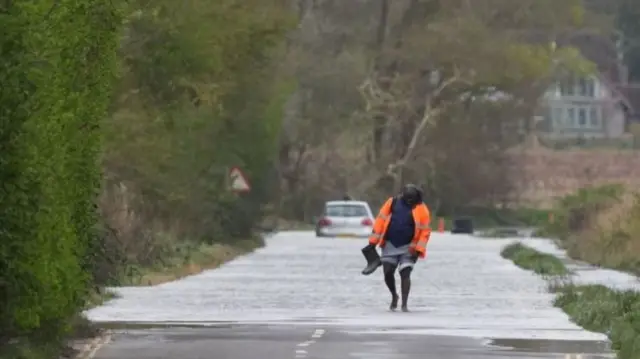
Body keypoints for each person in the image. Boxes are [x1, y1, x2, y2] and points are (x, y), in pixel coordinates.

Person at [366, 184, 431, 312]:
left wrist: (418, 250)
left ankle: (404, 304)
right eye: (407, 199)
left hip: (410, 247)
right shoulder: (392, 202)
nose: (410, 202)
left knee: (405, 273)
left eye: (412, 200)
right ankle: (394, 296)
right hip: (390, 243)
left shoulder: (422, 208)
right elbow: (380, 221)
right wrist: (373, 242)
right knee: (388, 272)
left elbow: (425, 232)